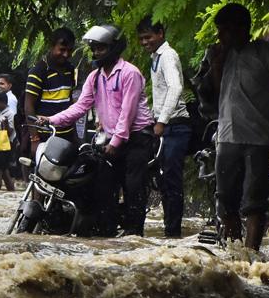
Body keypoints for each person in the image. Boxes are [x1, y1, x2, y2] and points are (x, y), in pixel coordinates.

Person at [39, 24, 155, 236]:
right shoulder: (95, 77)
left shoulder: (130, 73)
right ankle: (106, 233)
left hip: (137, 138)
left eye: (100, 48)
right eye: (94, 48)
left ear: (113, 47)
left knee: (133, 187)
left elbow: (127, 113)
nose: (96, 53)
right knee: (103, 187)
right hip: (111, 140)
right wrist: (51, 120)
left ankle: (134, 235)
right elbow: (80, 107)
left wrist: (115, 142)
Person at [209, 3, 269, 251]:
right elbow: (220, 94)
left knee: (254, 200)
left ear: (242, 29)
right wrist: (216, 65)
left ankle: (251, 252)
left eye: (225, 31)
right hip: (228, 134)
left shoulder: (268, 54)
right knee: (225, 198)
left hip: (260, 137)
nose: (221, 37)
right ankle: (234, 250)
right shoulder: (221, 55)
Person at [137, 17, 192, 238]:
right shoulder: (155, 57)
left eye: (148, 37)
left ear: (161, 33)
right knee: (163, 179)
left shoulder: (168, 56)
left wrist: (162, 121)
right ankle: (170, 231)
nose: (144, 42)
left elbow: (176, 87)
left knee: (171, 179)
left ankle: (173, 232)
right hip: (165, 126)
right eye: (141, 38)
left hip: (176, 125)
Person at [25, 28, 78, 160]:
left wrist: (75, 134)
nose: (66, 54)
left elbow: (69, 101)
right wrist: (34, 139)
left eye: (69, 51)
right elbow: (28, 106)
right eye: (62, 49)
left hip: (67, 135)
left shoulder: (70, 69)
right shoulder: (39, 71)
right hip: (46, 136)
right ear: (52, 46)